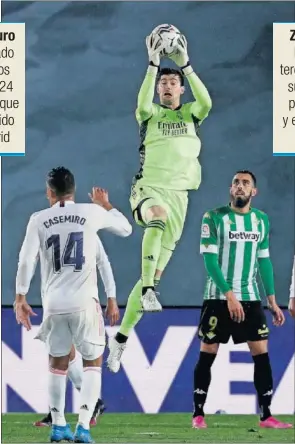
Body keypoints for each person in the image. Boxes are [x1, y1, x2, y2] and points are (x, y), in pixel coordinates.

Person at [107, 31, 212, 373]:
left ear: (181, 89)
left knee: (158, 252)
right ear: (157, 88)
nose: (167, 86)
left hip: (180, 197)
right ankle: (150, 289)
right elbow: (139, 105)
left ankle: (120, 338)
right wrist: (153, 63)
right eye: (163, 83)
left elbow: (207, 103)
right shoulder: (150, 114)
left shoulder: (191, 115)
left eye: (173, 82)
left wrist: (186, 65)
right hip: (149, 188)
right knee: (156, 216)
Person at [14, 167, 132, 443]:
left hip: (53, 305)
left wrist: (20, 297)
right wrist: (105, 205)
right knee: (92, 363)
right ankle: (83, 427)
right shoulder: (90, 213)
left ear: (49, 192)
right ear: (74, 190)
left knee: (57, 364)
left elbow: (26, 260)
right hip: (84, 303)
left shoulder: (39, 219)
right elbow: (126, 229)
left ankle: (58, 425)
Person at [192, 170, 293, 430]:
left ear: (253, 192)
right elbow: (210, 261)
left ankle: (266, 415)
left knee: (261, 353)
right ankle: (198, 414)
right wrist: (229, 295)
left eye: (245, 183)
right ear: (230, 189)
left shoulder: (261, 221)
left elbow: (264, 260)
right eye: (236, 182)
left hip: (250, 298)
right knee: (208, 352)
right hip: (218, 297)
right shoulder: (213, 217)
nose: (239, 186)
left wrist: (271, 300)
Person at [34, 234, 117, 428]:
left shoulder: (80, 228)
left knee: (87, 357)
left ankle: (72, 412)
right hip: (56, 301)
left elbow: (103, 262)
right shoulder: (52, 226)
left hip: (79, 302)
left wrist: (111, 296)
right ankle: (67, 411)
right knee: (61, 355)